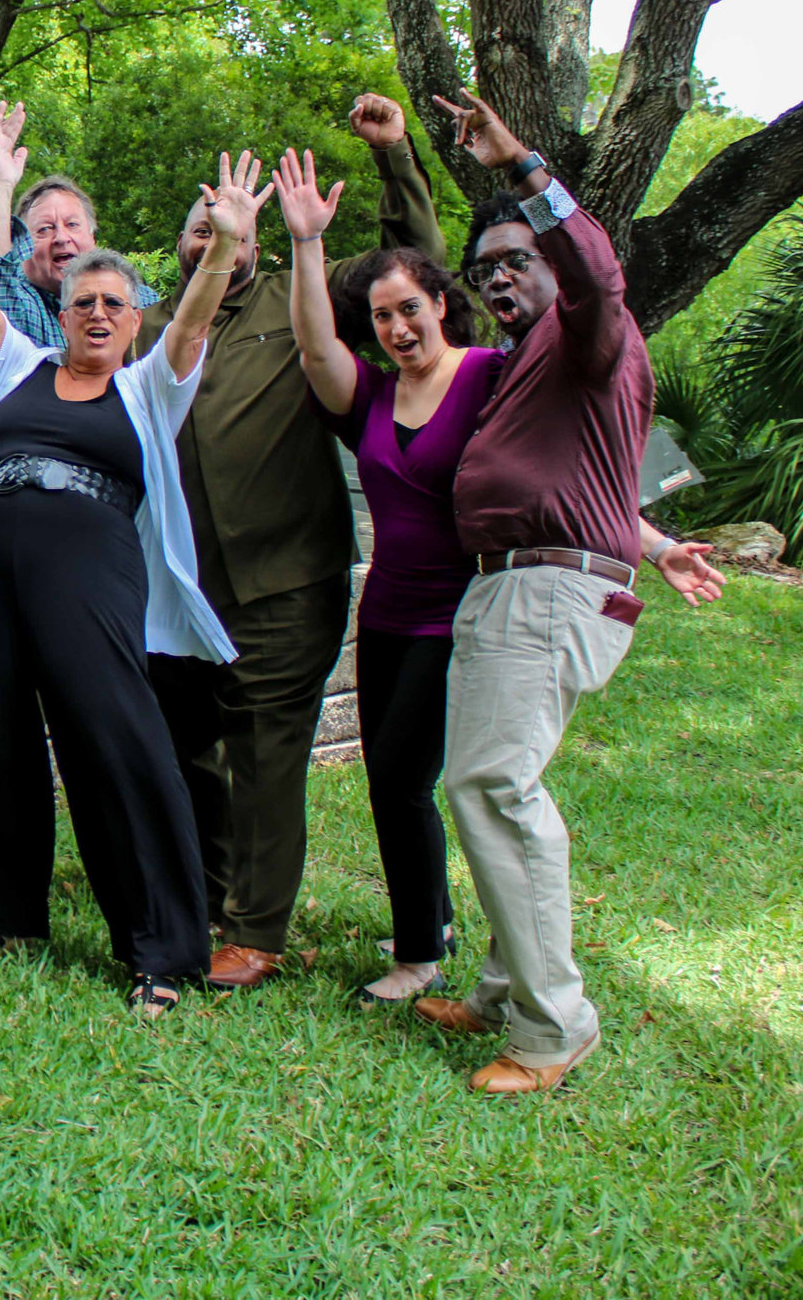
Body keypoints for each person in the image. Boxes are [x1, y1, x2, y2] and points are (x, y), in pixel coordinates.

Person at [412, 93, 723, 1094]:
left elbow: (596, 270)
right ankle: (505, 985)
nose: (499, 276)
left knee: (494, 788)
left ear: (554, 267)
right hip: (523, 584)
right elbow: (581, 483)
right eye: (486, 268)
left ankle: (555, 1024)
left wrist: (525, 171)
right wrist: (657, 542)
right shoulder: (529, 367)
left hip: (544, 594)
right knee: (481, 784)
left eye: (516, 260)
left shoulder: (588, 330)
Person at [0, 132, 255, 1017]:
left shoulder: (149, 386)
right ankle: (5, 913)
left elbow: (194, 319)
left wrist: (224, 244)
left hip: (89, 576)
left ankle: (160, 947)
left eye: (113, 303)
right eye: (82, 303)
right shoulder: (18, 371)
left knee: (114, 744)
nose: (98, 314)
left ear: (131, 319)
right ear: (60, 314)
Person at [140, 94, 447, 992]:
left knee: (268, 752)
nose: (210, 237)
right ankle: (205, 895)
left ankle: (256, 930)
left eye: (225, 224)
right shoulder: (155, 328)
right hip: (181, 588)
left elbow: (409, 268)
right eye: (198, 228)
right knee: (188, 746)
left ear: (257, 239)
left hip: (285, 578)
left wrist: (394, 158)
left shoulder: (302, 298)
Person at [274, 149, 505, 1003]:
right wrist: (305, 243)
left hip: (471, 611)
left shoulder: (486, 380)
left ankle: (419, 955)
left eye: (409, 309)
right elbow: (310, 341)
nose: (397, 328)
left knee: (424, 781)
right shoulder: (369, 396)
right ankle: (430, 923)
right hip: (387, 614)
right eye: (381, 317)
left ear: (441, 305)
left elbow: (557, 464)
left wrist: (651, 540)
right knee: (391, 777)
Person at [0, 101, 157, 415]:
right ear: (22, 249)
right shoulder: (20, 304)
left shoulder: (139, 298)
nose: (62, 237)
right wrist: (0, 183)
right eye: (45, 229)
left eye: (72, 224)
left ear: (93, 238)